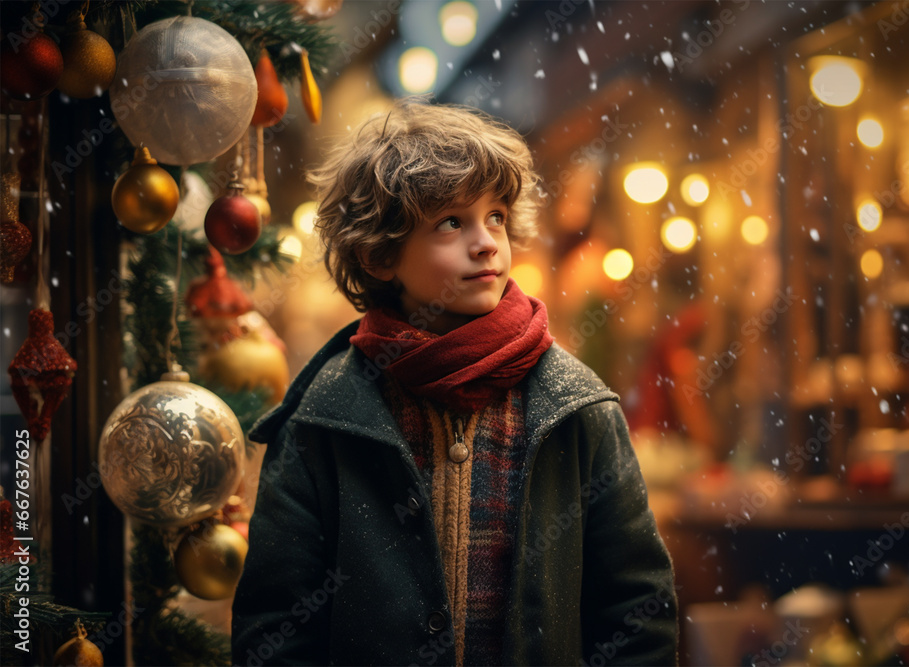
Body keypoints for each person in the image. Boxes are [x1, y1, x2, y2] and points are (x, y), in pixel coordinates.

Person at [231, 97, 677, 666]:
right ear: (378, 254)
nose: (487, 241)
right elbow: (275, 624)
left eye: (496, 216)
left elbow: (637, 609)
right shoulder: (327, 416)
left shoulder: (575, 404)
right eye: (450, 222)